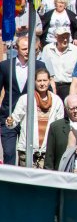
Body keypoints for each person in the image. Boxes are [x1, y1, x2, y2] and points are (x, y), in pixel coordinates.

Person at [0, 36, 49, 165]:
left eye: (30, 48)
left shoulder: (39, 65)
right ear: (17, 49)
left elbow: (46, 89)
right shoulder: (5, 66)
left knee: (27, 153)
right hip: (9, 115)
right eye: (24, 49)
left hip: (30, 116)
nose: (27, 51)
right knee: (9, 153)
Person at [5, 69, 64, 167]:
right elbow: (13, 121)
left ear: (49, 81)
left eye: (44, 80)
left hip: (47, 151)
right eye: (39, 80)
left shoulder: (57, 101)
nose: (42, 83)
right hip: (27, 151)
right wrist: (10, 122)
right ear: (34, 81)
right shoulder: (25, 99)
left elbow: (59, 126)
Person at [41, 26, 77, 101]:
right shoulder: (47, 49)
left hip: (69, 86)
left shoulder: (76, 51)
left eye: (67, 37)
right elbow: (43, 68)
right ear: (56, 37)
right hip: (51, 84)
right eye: (62, 37)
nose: (65, 39)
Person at [44, 94, 77, 170]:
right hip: (63, 173)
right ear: (66, 109)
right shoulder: (56, 127)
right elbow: (50, 156)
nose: (75, 111)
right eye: (71, 109)